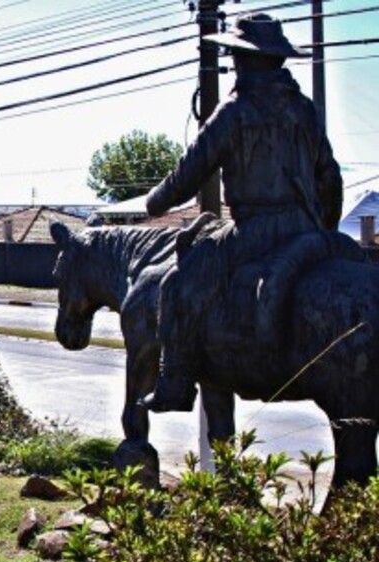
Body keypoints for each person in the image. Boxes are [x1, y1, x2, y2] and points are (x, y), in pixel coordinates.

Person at [140, 13, 343, 412]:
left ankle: (175, 383)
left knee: (176, 286)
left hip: (256, 232)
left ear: (246, 60)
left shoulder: (235, 112)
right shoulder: (304, 109)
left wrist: (154, 203)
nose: (234, 63)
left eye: (236, 56)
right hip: (307, 228)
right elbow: (330, 177)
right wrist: (325, 232)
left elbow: (188, 173)